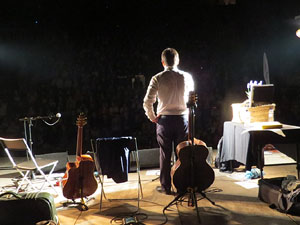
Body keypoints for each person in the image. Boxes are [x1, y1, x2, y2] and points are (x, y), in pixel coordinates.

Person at [143, 48, 195, 195]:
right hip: (182, 119)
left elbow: (147, 102)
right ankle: (182, 185)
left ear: (163, 62)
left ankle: (166, 187)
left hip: (164, 121)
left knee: (165, 155)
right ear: (177, 61)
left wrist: (152, 117)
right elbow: (191, 100)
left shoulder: (157, 78)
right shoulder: (187, 77)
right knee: (182, 155)